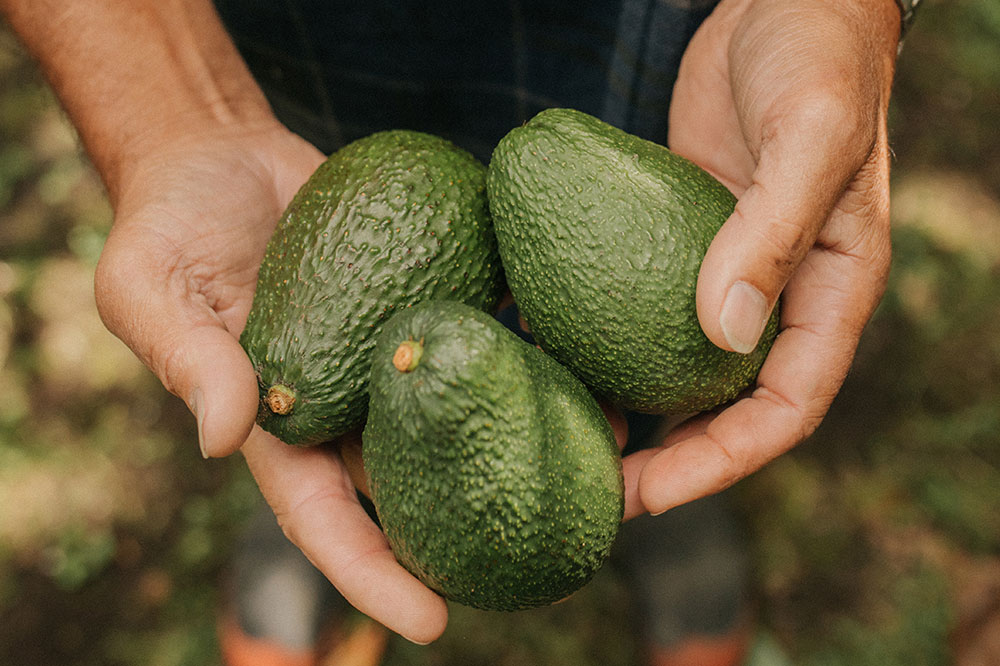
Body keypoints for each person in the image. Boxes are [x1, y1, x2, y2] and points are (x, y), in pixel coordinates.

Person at [0, 0, 907, 662]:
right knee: (330, 364)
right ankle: (337, 489)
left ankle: (666, 500)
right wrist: (172, 114)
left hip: (678, 63)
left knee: (672, 368)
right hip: (303, 61)